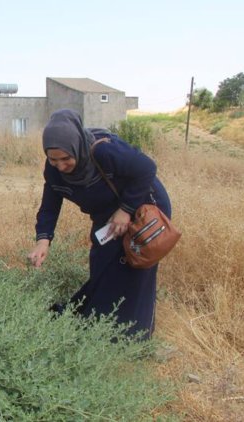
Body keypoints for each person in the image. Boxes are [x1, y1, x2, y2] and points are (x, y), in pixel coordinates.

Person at [27, 109, 172, 340]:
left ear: (77, 146)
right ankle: (99, 325)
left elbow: (146, 168)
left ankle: (132, 337)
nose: (61, 166)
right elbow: (50, 205)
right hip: (106, 214)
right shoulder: (54, 171)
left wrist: (125, 210)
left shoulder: (103, 151)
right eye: (53, 159)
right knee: (103, 264)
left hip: (144, 207)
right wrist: (43, 241)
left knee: (135, 266)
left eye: (66, 158)